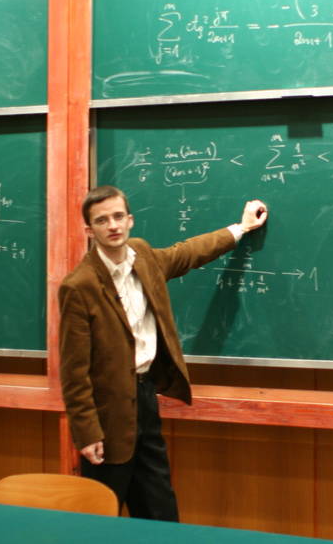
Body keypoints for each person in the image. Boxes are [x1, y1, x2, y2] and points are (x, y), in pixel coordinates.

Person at [59, 185, 268, 521]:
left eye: (118, 217)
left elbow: (187, 253)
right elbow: (74, 370)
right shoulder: (79, 285)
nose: (112, 225)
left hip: (146, 398)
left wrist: (240, 228)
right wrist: (86, 433)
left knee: (160, 512)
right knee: (100, 516)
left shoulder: (143, 256)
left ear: (130, 220)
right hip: (107, 418)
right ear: (89, 230)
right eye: (101, 220)